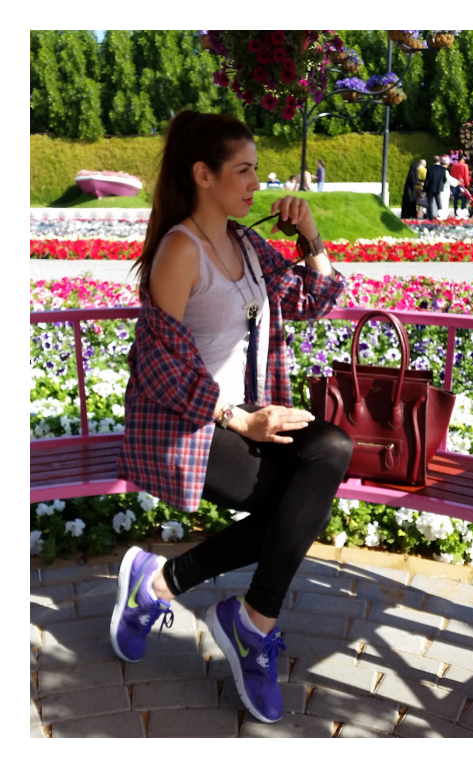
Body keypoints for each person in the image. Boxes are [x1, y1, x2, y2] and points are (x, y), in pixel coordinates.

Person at [110, 110, 351, 725]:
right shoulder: (179, 250)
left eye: (255, 169)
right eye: (243, 170)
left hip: (244, 418)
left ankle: (226, 609)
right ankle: (212, 610)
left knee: (331, 449)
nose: (255, 183)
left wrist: (311, 237)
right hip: (188, 425)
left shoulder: (244, 242)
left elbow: (315, 300)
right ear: (203, 174)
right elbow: (155, 365)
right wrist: (239, 421)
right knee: (294, 507)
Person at [424, 155, 447, 220]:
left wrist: (424, 189)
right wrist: (441, 184)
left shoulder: (429, 169)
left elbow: (427, 180)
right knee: (438, 202)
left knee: (430, 202)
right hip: (438, 187)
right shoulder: (443, 169)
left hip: (430, 187)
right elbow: (444, 179)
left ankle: (430, 216)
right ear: (439, 161)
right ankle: (440, 215)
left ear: (433, 161)